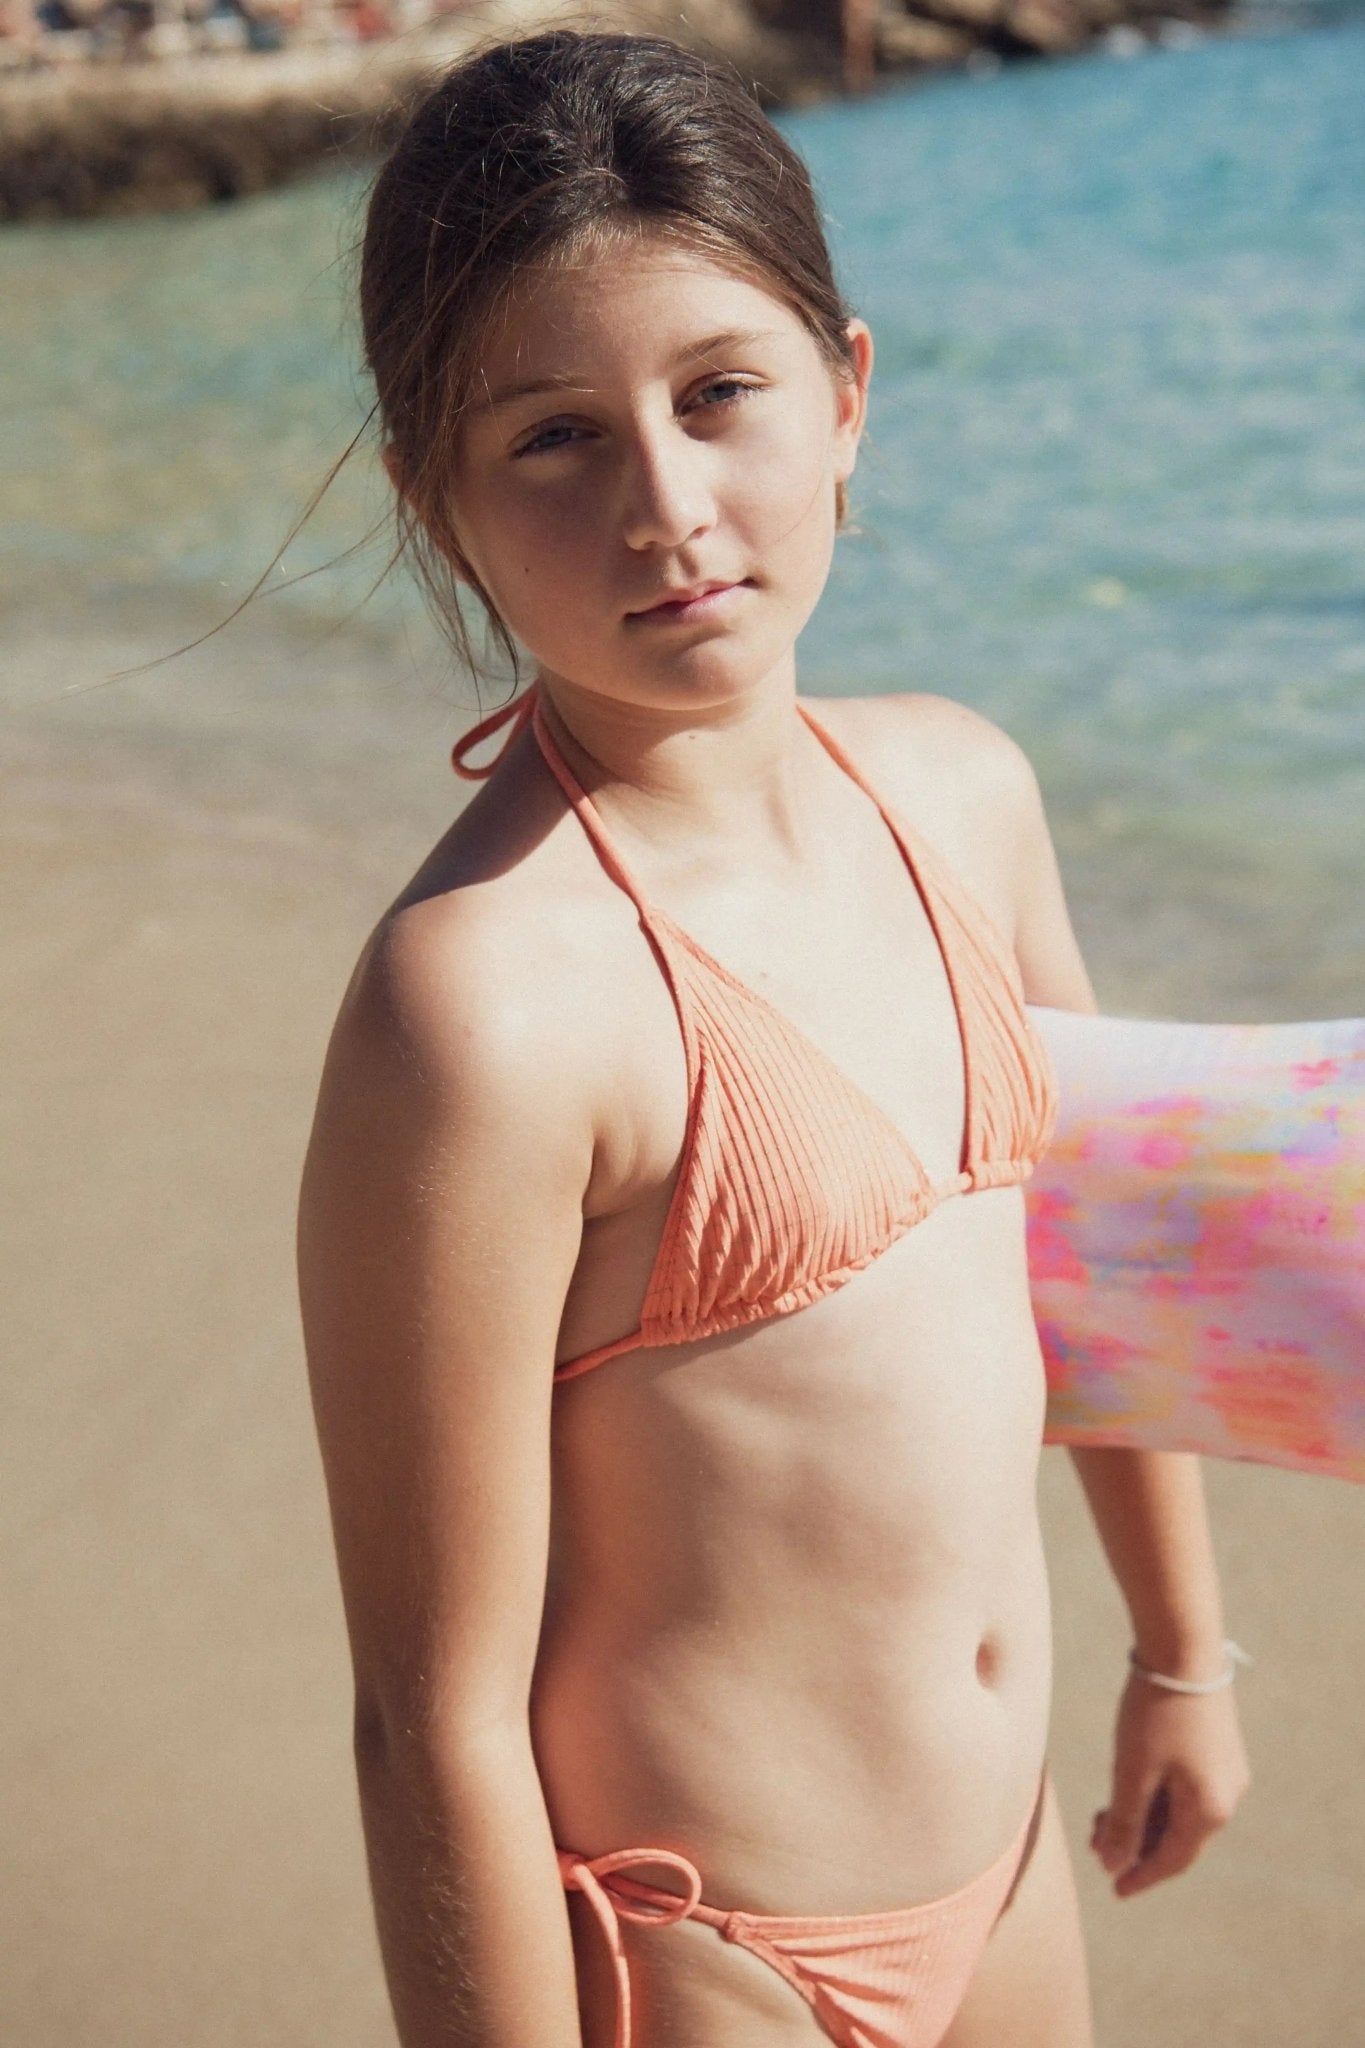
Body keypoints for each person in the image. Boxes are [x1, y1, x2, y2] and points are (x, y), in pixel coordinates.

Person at [296, 29, 1251, 2048]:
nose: (663, 503)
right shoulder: (487, 999)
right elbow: (430, 1708)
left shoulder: (960, 793)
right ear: (435, 498)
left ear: (845, 398)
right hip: (719, 1948)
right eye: (549, 436)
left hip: (1002, 1880)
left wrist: (1178, 1650)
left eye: (717, 393)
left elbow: (1098, 1265)